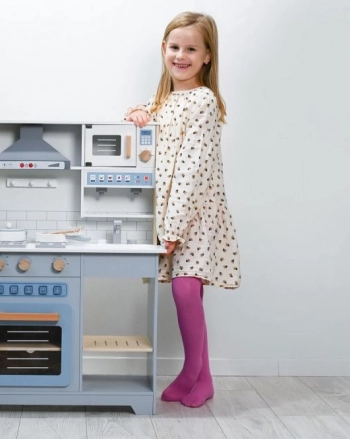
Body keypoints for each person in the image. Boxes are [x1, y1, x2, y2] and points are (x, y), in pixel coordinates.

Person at [125, 12, 241, 408]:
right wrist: (137, 113)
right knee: (187, 289)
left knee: (186, 288)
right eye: (175, 47)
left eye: (191, 49)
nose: (181, 55)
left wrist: (172, 228)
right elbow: (144, 130)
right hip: (169, 211)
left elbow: (192, 169)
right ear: (163, 50)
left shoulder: (204, 100)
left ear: (208, 56)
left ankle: (191, 371)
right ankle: (203, 380)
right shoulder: (162, 101)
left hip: (195, 214)